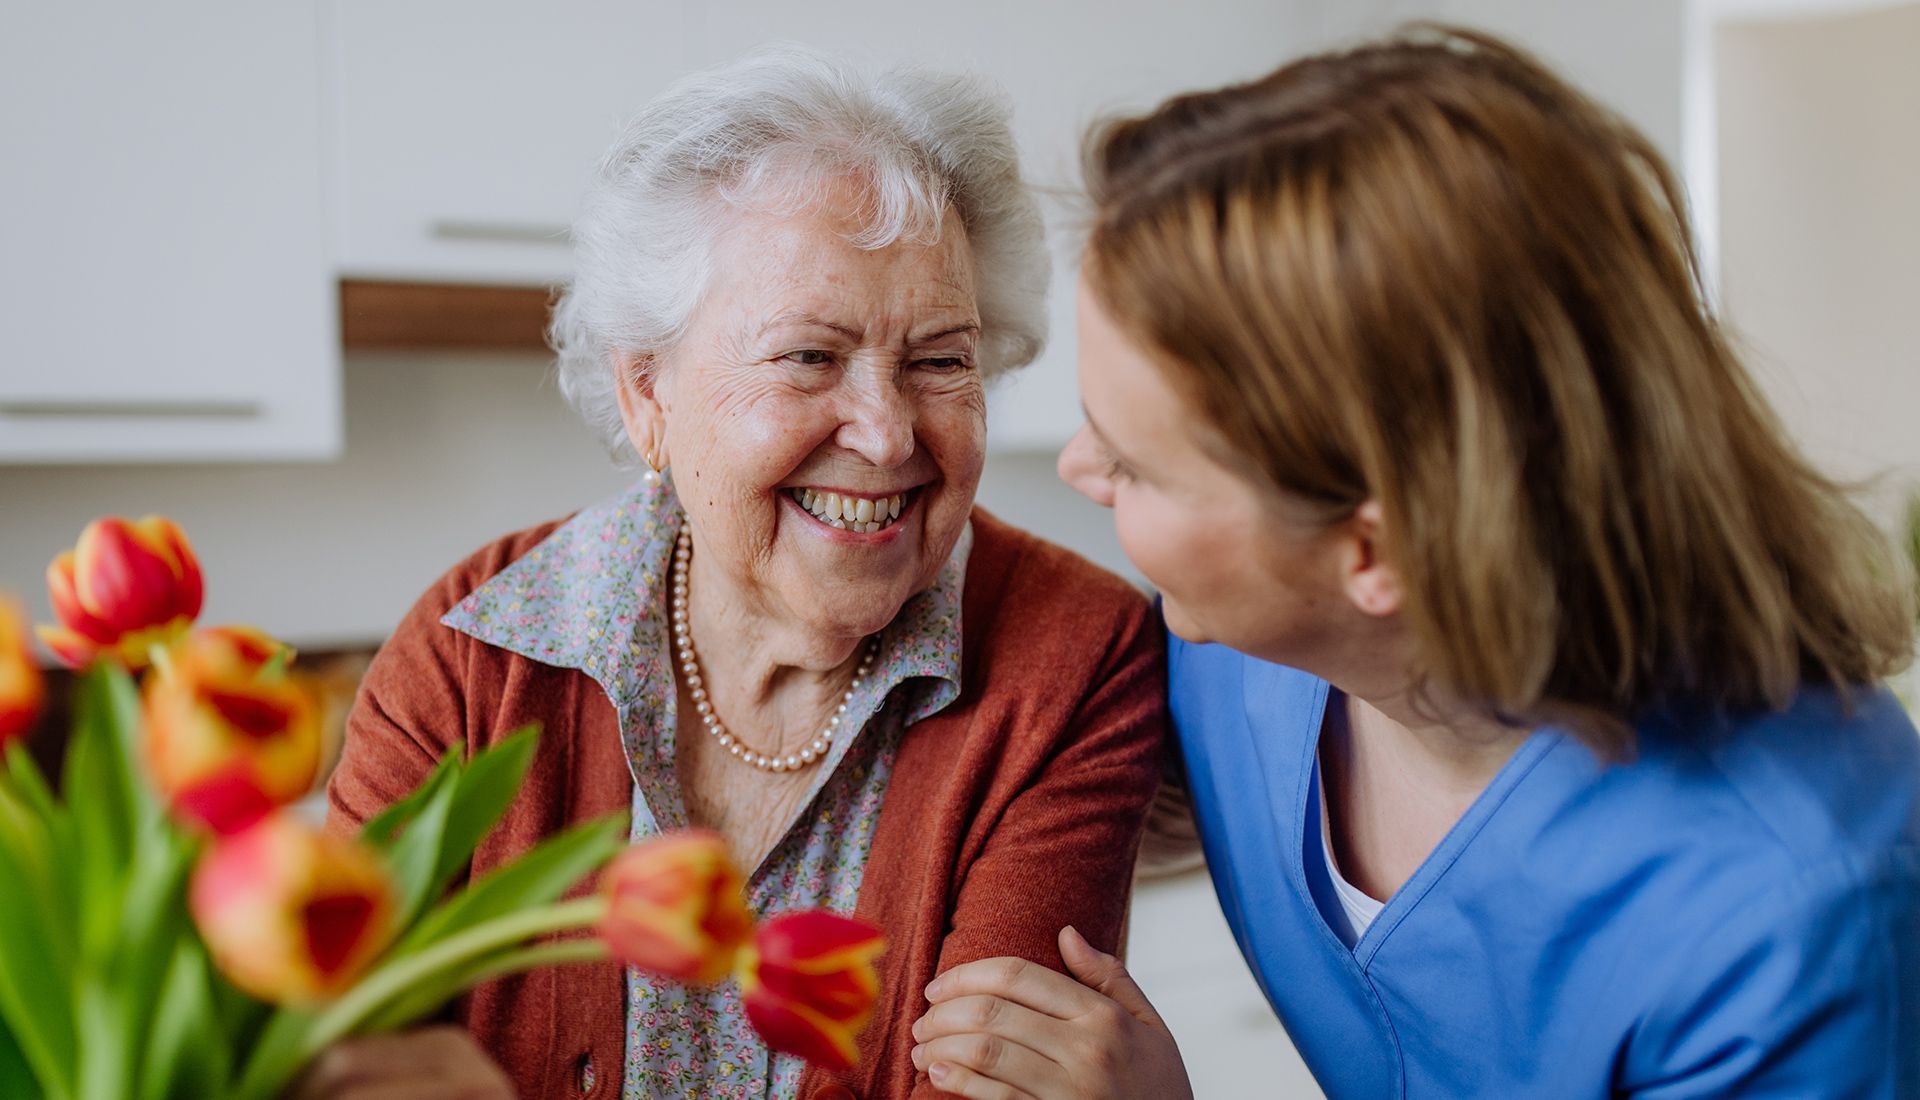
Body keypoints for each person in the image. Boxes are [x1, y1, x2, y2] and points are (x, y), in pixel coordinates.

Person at [912, 26, 1920, 1099]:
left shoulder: (1796, 912)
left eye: (1138, 464)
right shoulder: (1240, 662)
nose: (1079, 466)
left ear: (1372, 548)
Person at [312, 46, 1165, 1100]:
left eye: (942, 358)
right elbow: (326, 1054)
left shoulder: (1074, 655)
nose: (888, 429)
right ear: (646, 393)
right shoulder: (472, 655)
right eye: (809, 356)